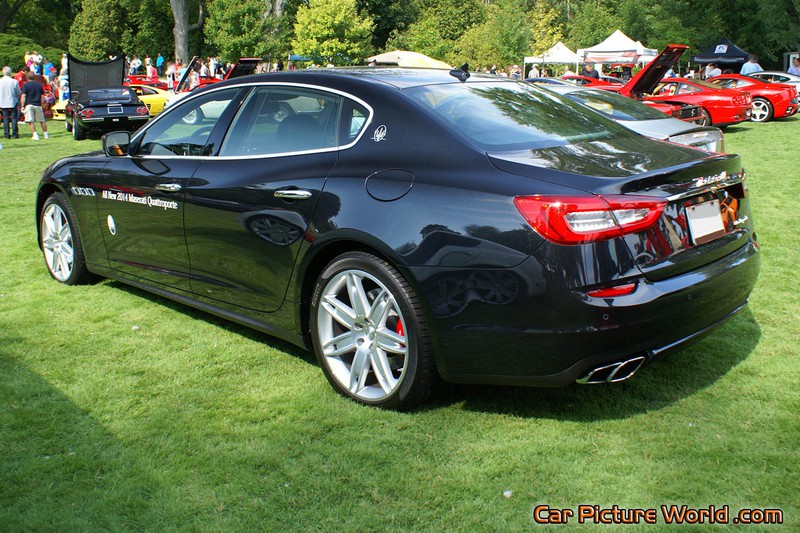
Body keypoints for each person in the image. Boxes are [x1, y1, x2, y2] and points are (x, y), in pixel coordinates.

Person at [20, 71, 48, 140]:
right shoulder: (39, 85)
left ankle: (35, 135)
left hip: (29, 105)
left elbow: (23, 96)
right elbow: (42, 96)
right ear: (34, 77)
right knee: (42, 120)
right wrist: (42, 104)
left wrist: (22, 106)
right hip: (38, 104)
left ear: (27, 78)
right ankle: (46, 134)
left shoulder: (25, 85)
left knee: (30, 121)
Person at [0, 66, 22, 139]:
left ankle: (6, 134)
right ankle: (15, 133)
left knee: (5, 118)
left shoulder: (0, 81)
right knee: (14, 118)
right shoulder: (14, 81)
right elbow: (18, 92)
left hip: (3, 101)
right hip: (13, 100)